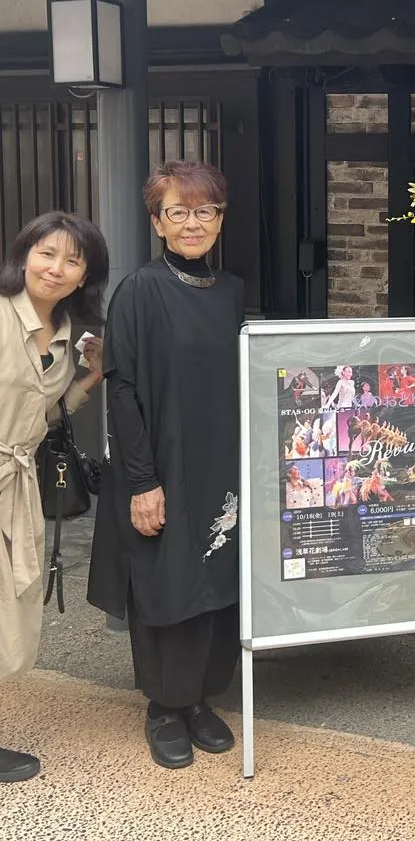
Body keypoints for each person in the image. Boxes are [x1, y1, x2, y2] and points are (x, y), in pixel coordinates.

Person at [88, 160, 245, 771]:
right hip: (159, 463)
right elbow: (120, 388)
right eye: (177, 211)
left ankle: (200, 699)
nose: (192, 223)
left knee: (214, 579)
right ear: (157, 222)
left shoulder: (232, 292)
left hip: (219, 465)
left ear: (220, 218)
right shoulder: (141, 290)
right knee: (166, 579)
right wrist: (142, 481)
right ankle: (163, 707)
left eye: (205, 210)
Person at [0, 212, 108, 782]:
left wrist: (90, 377)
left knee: (5, 615)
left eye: (73, 260)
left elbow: (45, 414)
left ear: (85, 273)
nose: (56, 268)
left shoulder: (65, 336)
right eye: (48, 253)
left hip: (15, 487)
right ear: (25, 253)